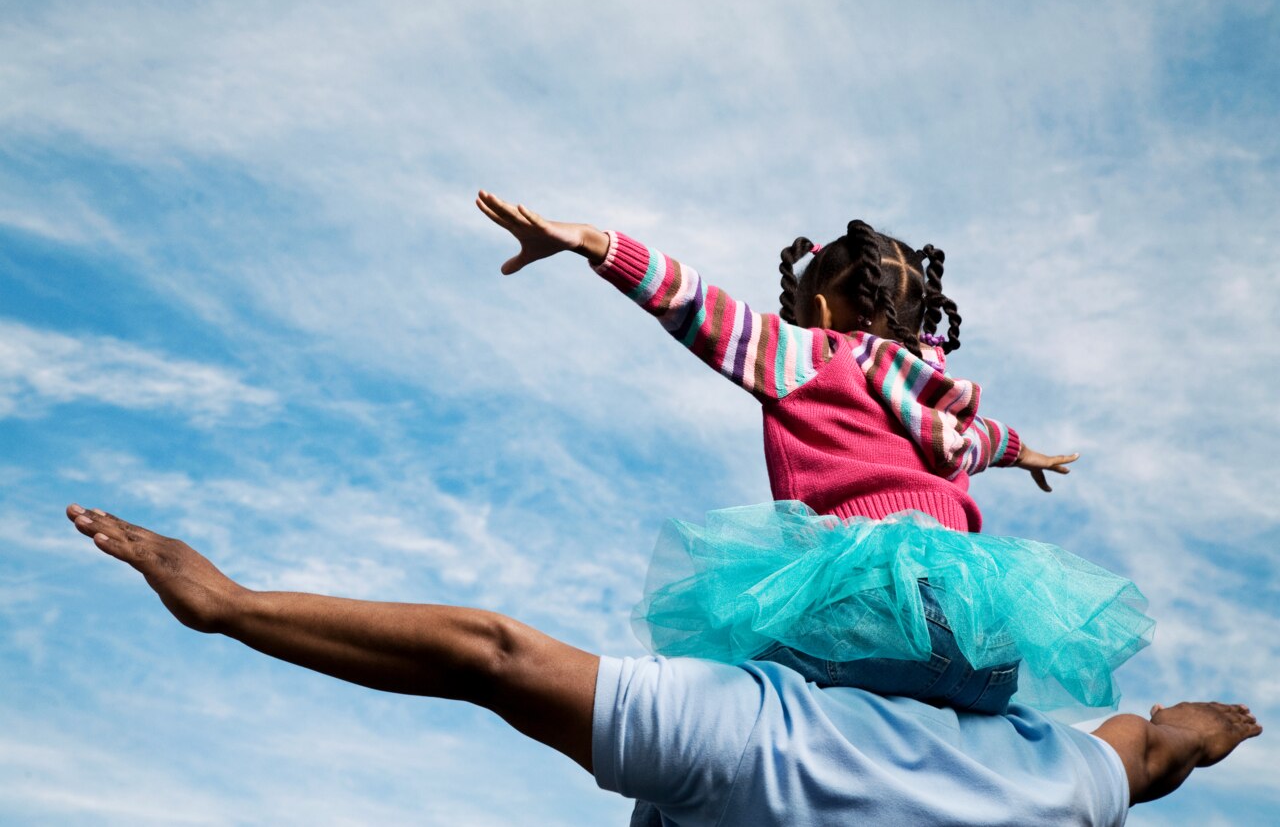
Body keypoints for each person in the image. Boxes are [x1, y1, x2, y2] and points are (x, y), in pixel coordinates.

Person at [65, 504, 1260, 826]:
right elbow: (1153, 748)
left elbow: (487, 653)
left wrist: (228, 606)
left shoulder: (763, 728)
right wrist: (1220, 722)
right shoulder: (1052, 774)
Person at [476, 190, 1153, 721]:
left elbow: (695, 304)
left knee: (709, 708)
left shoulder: (813, 356)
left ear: (821, 309)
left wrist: (593, 241)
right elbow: (987, 442)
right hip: (984, 639)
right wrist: (1027, 452)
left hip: (873, 611)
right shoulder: (941, 401)